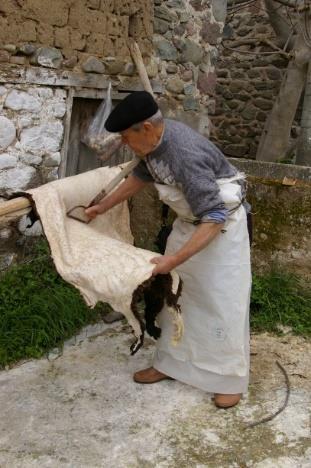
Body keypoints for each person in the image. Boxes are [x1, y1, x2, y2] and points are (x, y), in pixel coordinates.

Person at [85, 91, 251, 409]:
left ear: (146, 127)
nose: (124, 144)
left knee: (221, 305)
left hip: (221, 231)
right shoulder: (154, 144)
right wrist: (102, 207)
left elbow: (215, 216)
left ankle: (229, 379)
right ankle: (170, 365)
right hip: (190, 224)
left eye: (125, 137)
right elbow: (141, 176)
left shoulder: (185, 155)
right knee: (175, 297)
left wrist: (174, 258)